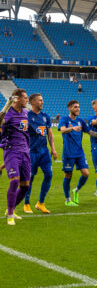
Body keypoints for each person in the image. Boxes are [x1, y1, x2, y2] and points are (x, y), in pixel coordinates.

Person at [59, 100, 97, 206]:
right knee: (68, 175)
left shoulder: (81, 121)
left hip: (79, 152)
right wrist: (73, 128)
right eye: (75, 107)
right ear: (70, 108)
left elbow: (90, 132)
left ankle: (76, 190)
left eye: (78, 107)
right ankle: (67, 199)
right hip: (68, 152)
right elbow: (62, 130)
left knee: (86, 174)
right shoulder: (64, 119)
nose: (78, 109)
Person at [23, 94, 57, 214]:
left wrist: (53, 148)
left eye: (42, 100)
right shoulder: (26, 116)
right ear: (32, 102)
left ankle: (40, 203)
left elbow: (50, 133)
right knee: (30, 178)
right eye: (40, 100)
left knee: (49, 175)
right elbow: (21, 134)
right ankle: (26, 203)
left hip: (44, 151)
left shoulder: (45, 116)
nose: (42, 102)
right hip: (31, 152)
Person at [0, 90, 30, 225]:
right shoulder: (9, 114)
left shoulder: (25, 113)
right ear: (17, 99)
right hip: (11, 150)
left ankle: (10, 209)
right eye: (25, 98)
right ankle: (10, 215)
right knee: (14, 181)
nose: (27, 100)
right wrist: (7, 105)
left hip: (25, 152)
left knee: (25, 186)